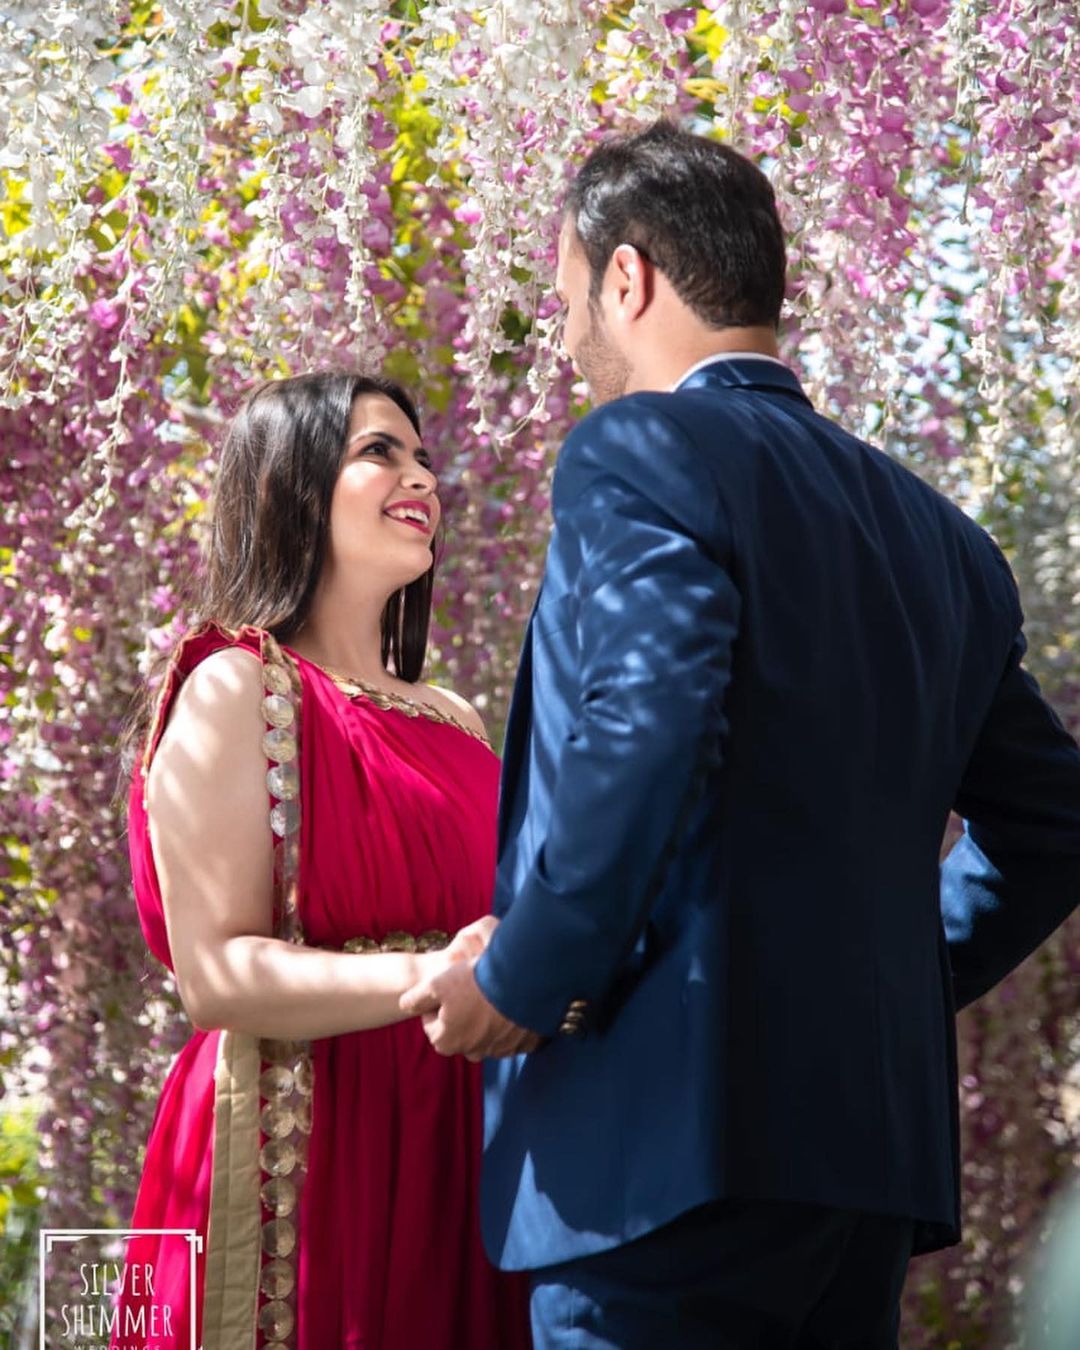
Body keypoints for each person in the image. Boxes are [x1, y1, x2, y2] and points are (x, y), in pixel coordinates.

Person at [401, 121, 1080, 1348]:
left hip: (667, 1145)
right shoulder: (942, 539)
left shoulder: (639, 446)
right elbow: (1055, 823)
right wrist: (870, 966)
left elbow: (650, 719)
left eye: (568, 303)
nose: (565, 347)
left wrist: (527, 977)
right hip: (860, 1161)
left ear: (628, 277)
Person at [114, 372, 531, 1350]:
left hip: (459, 1143)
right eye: (378, 451)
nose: (420, 475)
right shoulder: (231, 683)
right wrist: (428, 976)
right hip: (302, 1145)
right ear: (290, 488)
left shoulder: (457, 721)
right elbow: (214, 975)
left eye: (423, 456)